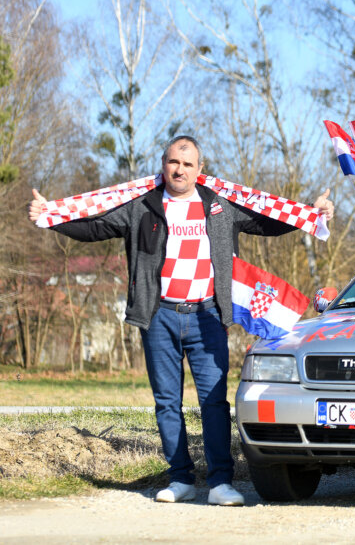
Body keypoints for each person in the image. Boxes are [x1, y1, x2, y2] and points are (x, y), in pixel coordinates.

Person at [28, 136, 334, 506]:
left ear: (199, 169)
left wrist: (309, 213)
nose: (180, 170)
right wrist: (49, 218)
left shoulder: (219, 204)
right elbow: (94, 227)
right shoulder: (142, 206)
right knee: (167, 403)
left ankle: (221, 482)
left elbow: (266, 220)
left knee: (215, 402)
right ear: (164, 164)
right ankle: (181, 480)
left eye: (188, 164)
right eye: (174, 162)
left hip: (207, 316)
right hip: (159, 316)